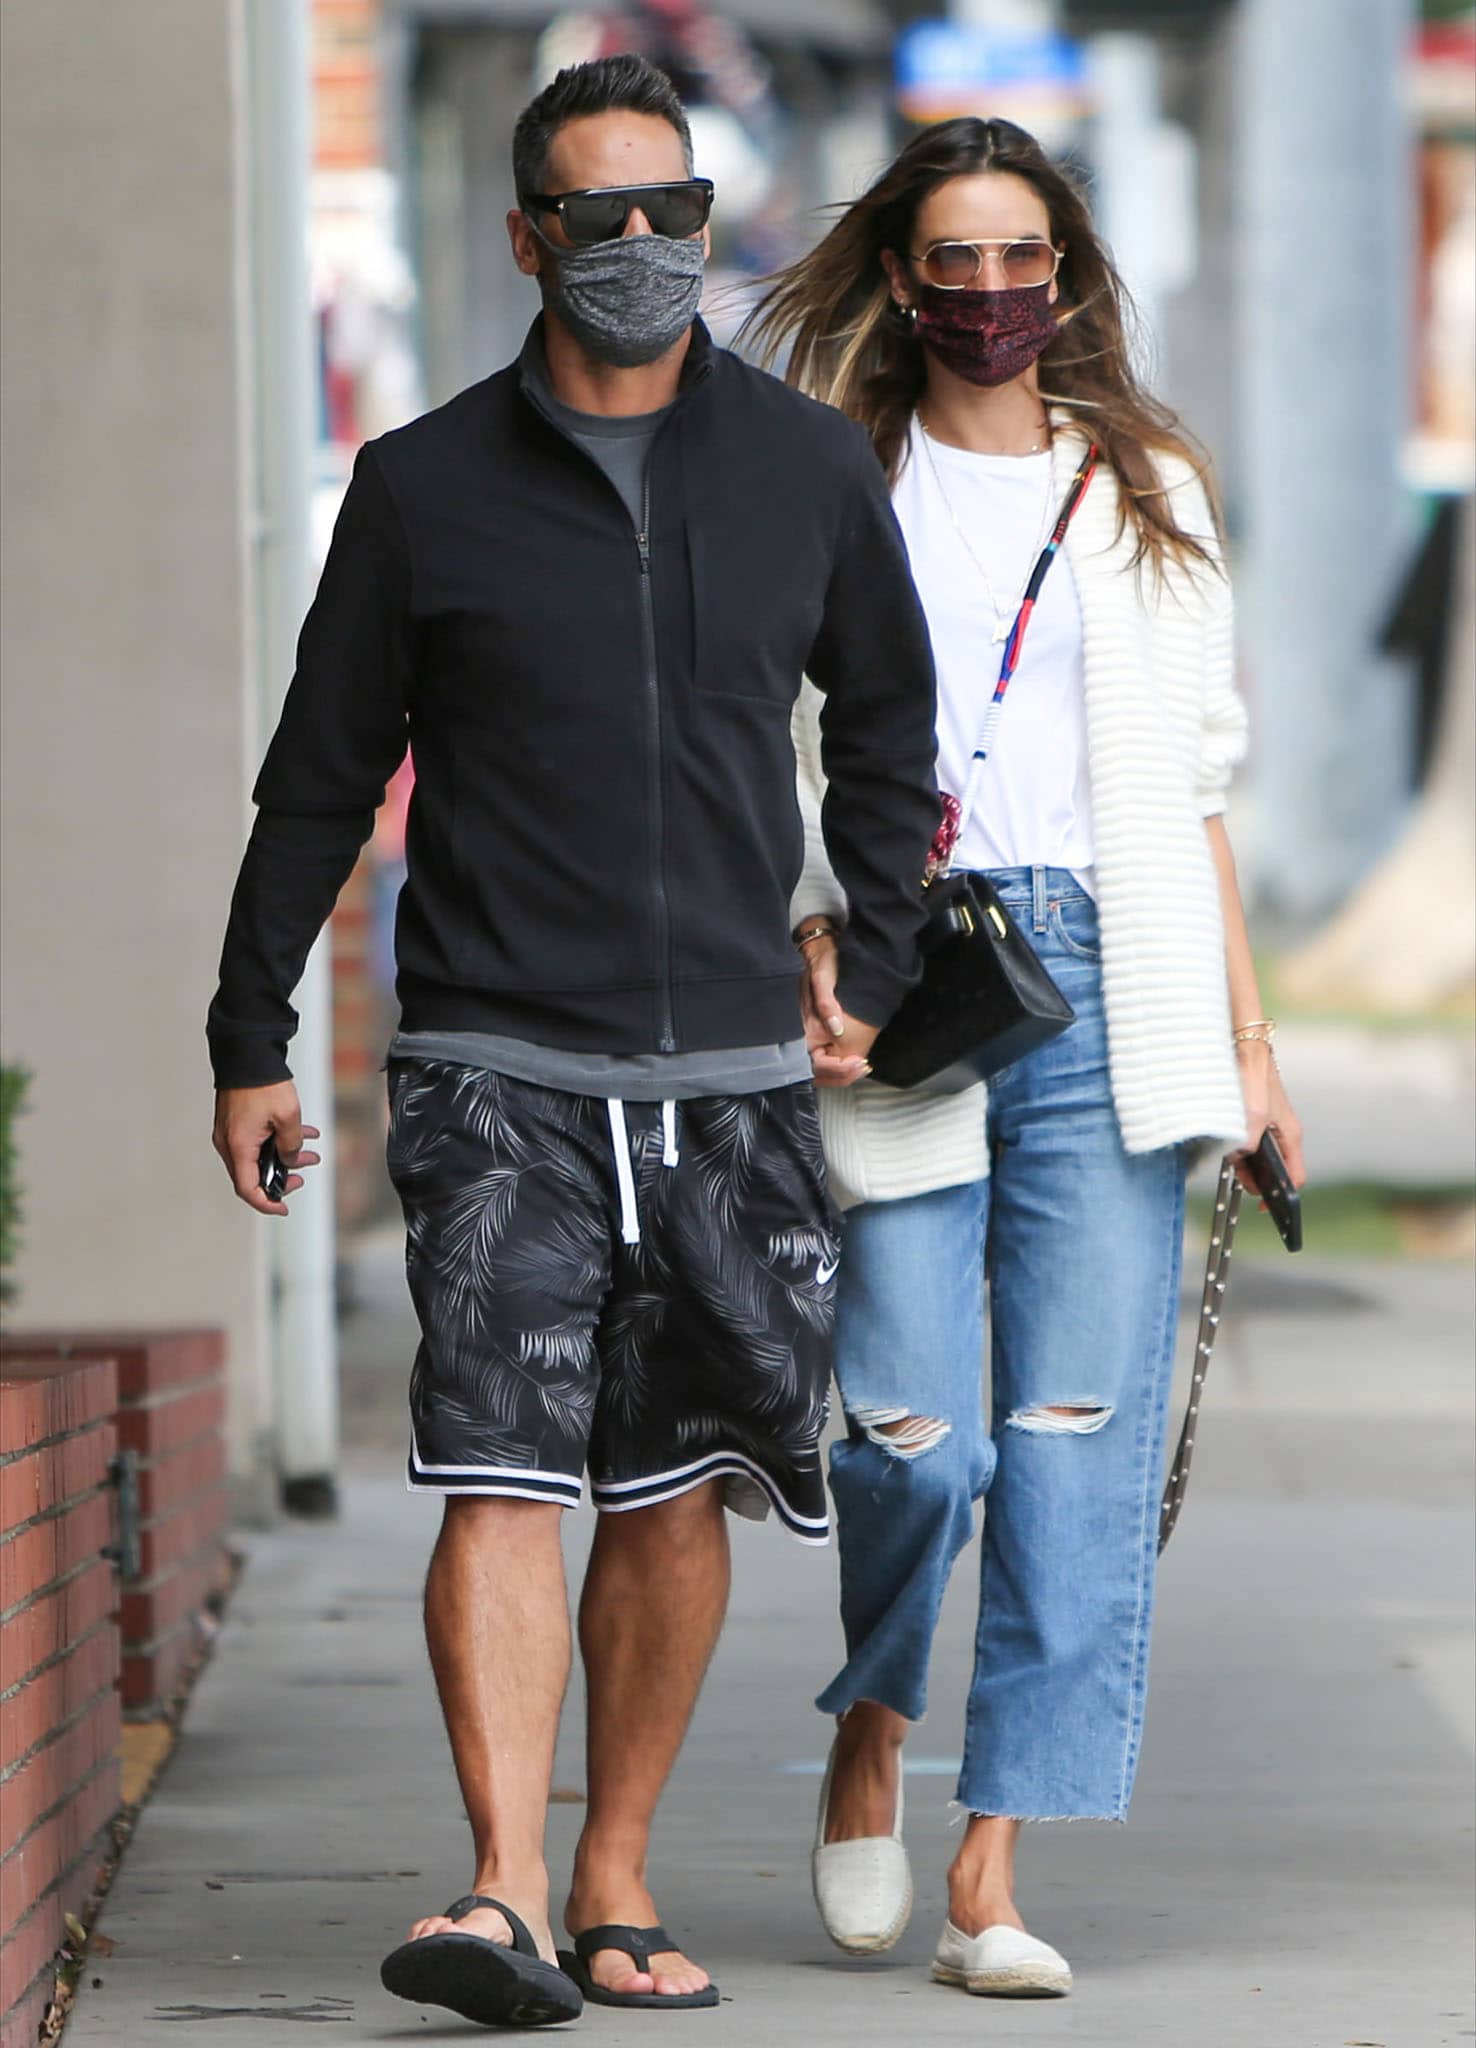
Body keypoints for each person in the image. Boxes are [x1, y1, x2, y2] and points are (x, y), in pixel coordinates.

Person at [207, 55, 937, 2032]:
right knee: (502, 1468)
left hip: (726, 1074)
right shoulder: (426, 485)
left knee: (674, 1484)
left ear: (707, 225)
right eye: (597, 219)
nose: (638, 251)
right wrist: (250, 1028)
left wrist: (863, 962)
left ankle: (614, 1865)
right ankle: (502, 1888)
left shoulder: (802, 472)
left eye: (670, 216)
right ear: (531, 237)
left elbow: (885, 740)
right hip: (491, 1060)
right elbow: (316, 779)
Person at [746, 115, 1307, 1999]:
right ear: (901, 278)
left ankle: (991, 1863)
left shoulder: (1148, 483)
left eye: (1024, 258)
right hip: (906, 967)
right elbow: (772, 745)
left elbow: (1200, 785)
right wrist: (819, 939)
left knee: (1071, 1441)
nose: (993, 291)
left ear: (1069, 275)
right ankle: (872, 1728)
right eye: (956, 259)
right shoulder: (838, 477)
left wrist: (1251, 1043)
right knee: (914, 1434)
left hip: (1112, 969)